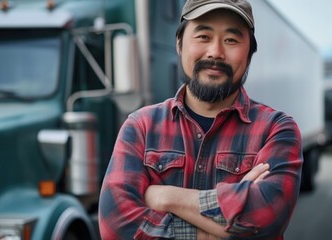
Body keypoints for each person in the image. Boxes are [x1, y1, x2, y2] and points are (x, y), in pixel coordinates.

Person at [98, 0, 303, 239]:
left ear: (249, 55)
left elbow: (265, 219)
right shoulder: (141, 126)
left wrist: (166, 197)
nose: (215, 51)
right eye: (203, 36)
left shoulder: (277, 129)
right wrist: (218, 226)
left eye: (231, 40)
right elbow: (116, 226)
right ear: (179, 44)